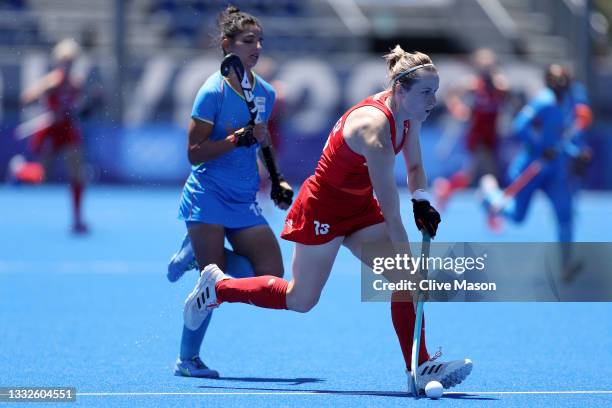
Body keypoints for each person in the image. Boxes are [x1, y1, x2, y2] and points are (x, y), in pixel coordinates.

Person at [183, 45, 473, 392]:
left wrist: (422, 200)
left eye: (435, 92)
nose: (434, 100)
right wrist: (412, 265)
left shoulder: (408, 114)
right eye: (427, 92)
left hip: (359, 208)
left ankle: (420, 366)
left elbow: (414, 167)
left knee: (403, 281)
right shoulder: (375, 131)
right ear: (399, 90)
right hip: (323, 209)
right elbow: (392, 212)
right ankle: (217, 288)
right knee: (300, 300)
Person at [172, 5, 293, 378]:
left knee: (271, 274)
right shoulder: (211, 92)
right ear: (228, 46)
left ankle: (198, 254)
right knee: (214, 282)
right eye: (247, 41)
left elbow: (263, 138)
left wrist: (276, 179)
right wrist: (236, 139)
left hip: (242, 199)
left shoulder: (266, 92)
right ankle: (187, 360)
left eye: (259, 40)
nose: (256, 47)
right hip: (208, 194)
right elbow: (194, 154)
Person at [479, 64, 593, 280]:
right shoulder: (543, 102)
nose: (562, 83)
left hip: (554, 171)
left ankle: (566, 264)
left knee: (565, 215)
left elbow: (563, 138)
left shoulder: (570, 102)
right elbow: (519, 127)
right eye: (557, 79)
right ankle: (489, 196)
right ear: (549, 81)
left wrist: (577, 153)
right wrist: (538, 145)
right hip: (531, 167)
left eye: (565, 79)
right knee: (517, 216)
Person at [20, 38, 88, 233]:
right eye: (65, 61)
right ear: (58, 62)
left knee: (77, 173)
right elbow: (26, 98)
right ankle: (19, 170)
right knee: (41, 176)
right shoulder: (51, 81)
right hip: (50, 130)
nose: (68, 65)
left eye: (71, 62)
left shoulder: (76, 84)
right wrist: (43, 98)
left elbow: (79, 106)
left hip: (68, 129)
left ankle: (77, 219)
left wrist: (76, 109)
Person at [433, 48, 509, 211]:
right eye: (483, 67)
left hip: (492, 135)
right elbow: (451, 94)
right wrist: (458, 109)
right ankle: (492, 208)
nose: (486, 70)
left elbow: (509, 99)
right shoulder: (473, 84)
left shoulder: (499, 86)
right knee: (489, 173)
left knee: (471, 175)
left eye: (489, 66)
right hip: (477, 136)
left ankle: (446, 189)